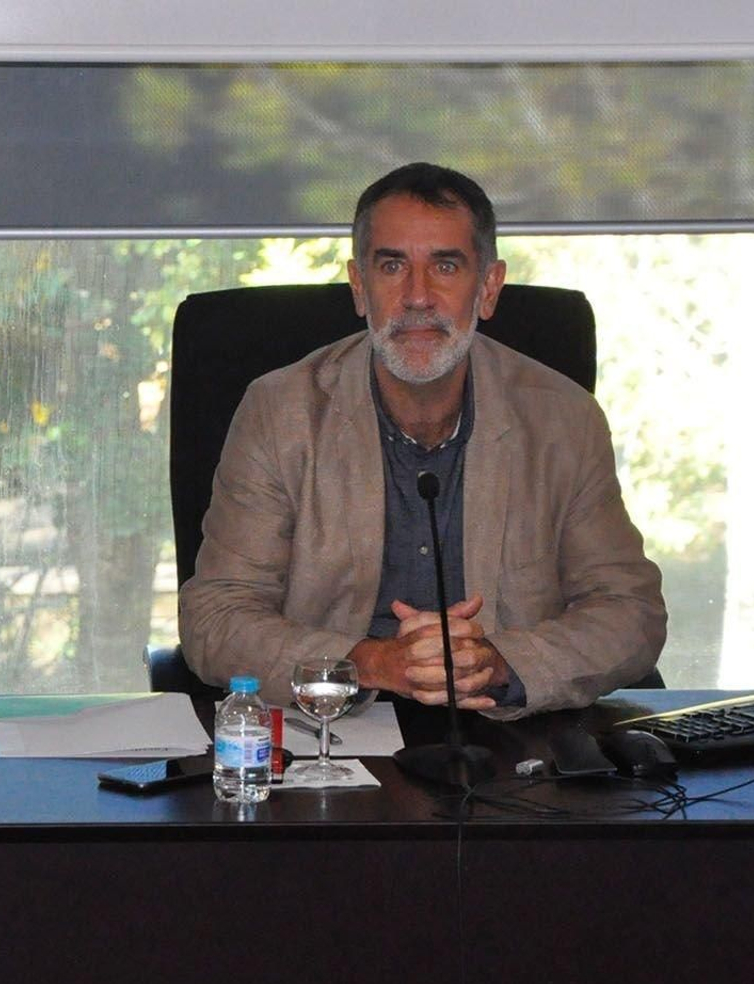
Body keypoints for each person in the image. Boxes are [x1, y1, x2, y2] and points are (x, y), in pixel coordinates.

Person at [179, 162, 665, 717]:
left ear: (488, 288)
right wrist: (371, 663)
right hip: (332, 738)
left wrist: (501, 662)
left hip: (505, 739)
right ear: (359, 288)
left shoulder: (563, 420)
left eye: (446, 266)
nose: (417, 296)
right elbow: (215, 616)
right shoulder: (280, 412)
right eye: (391, 266)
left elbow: (631, 612)